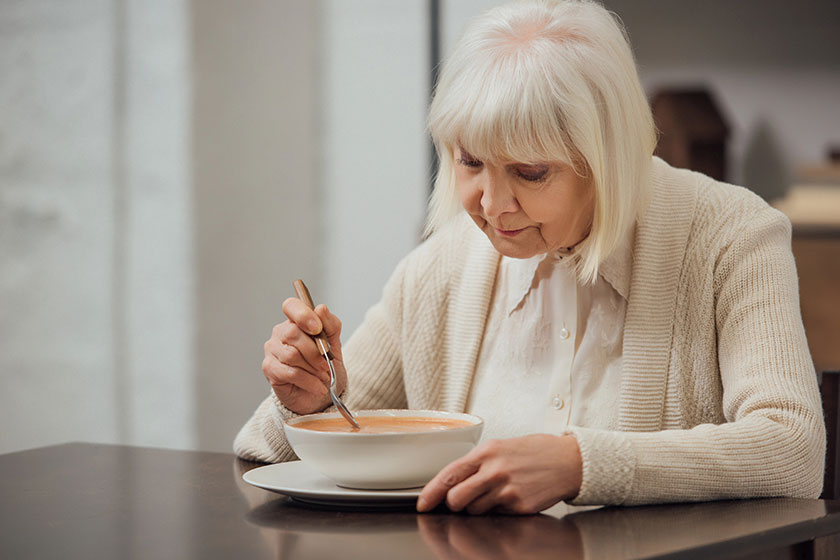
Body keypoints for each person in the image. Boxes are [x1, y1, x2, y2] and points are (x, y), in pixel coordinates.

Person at [234, 0, 825, 514]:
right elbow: (269, 455)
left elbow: (792, 450)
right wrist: (308, 404)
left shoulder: (731, 237)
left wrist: (580, 463)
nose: (492, 206)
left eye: (529, 172)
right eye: (470, 163)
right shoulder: (443, 266)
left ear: (607, 158)